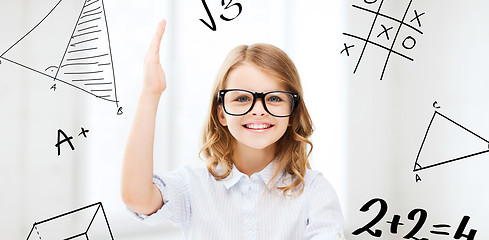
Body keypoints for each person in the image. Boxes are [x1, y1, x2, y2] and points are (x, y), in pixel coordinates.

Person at [121, 19, 346, 240]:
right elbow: (137, 198)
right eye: (242, 98)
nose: (259, 110)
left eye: (275, 98)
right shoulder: (192, 186)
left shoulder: (315, 191)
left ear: (292, 114)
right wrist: (151, 93)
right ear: (221, 113)